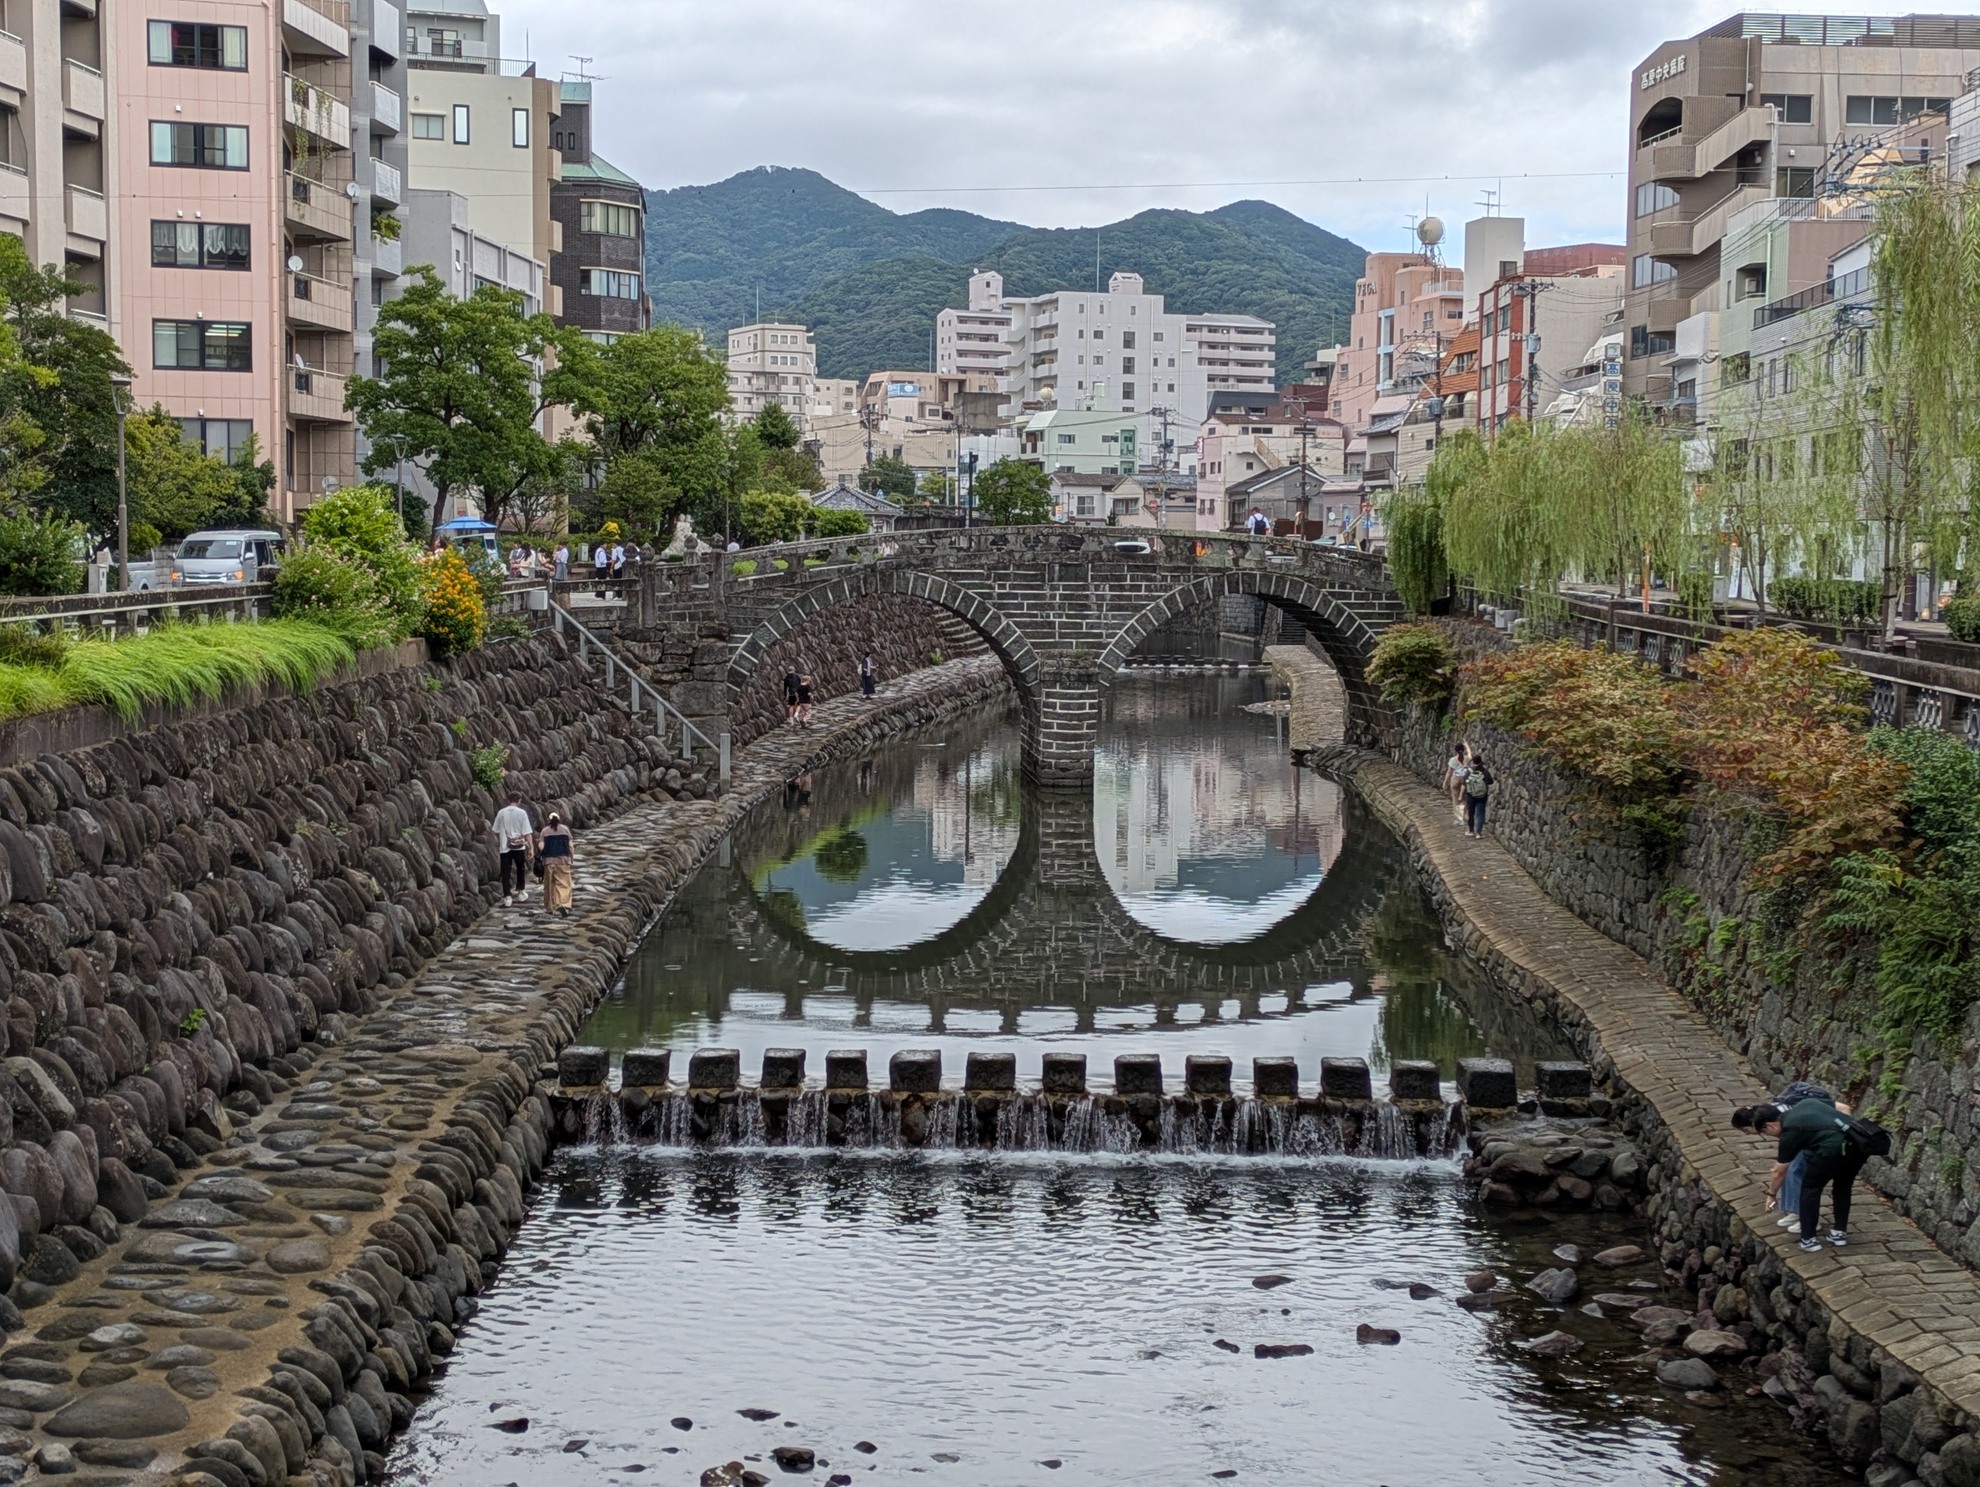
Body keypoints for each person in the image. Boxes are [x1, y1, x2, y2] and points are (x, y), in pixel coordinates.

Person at [1744, 1097, 1869, 1251]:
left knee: (1810, 1189)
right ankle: (1839, 1233)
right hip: (1858, 1144)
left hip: (1831, 1150)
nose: (1771, 1136)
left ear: (1769, 1125)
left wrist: (1771, 1194)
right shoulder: (1807, 1103)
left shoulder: (1789, 1131)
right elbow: (1840, 1108)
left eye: (1765, 1133)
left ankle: (1809, 1240)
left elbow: (1779, 1171)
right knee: (1842, 1187)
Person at [1732, 1082, 1847, 1228]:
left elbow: (1843, 1109)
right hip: (1804, 1141)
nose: (1748, 1134)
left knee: (1795, 1171)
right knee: (1789, 1169)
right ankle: (1795, 1210)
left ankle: (1808, 1219)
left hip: (1818, 1142)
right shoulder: (1770, 1112)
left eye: (1746, 1130)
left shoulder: (1782, 1118)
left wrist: (1771, 1194)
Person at [491, 792, 534, 907]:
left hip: (505, 846)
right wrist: (531, 848)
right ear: (519, 800)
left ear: (508, 800)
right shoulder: (522, 813)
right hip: (519, 846)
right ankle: (520, 892)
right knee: (520, 868)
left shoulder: (501, 813)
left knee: (505, 872)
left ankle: (507, 897)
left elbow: (495, 830)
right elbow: (527, 832)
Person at [537, 812, 575, 918]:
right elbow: (570, 845)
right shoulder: (565, 829)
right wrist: (571, 858)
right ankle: (563, 904)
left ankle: (549, 907)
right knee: (563, 883)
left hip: (549, 861)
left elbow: (541, 846)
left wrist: (541, 853)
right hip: (563, 860)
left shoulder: (545, 831)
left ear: (548, 820)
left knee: (549, 885)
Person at [1462, 756, 1492, 838]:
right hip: (1482, 796)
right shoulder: (1484, 771)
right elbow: (1490, 781)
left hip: (1471, 795)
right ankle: (1478, 832)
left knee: (1471, 813)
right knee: (1480, 814)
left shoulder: (1469, 770)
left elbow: (1464, 781)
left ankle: (1471, 830)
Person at [1443, 742, 1471, 825]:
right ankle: (1465, 815)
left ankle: (1459, 819)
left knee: (1456, 800)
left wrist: (1445, 782)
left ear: (1455, 750)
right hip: (1464, 782)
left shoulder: (1453, 760)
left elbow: (1449, 772)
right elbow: (1470, 753)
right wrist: (1467, 745)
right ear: (1463, 750)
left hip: (1455, 781)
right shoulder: (1466, 759)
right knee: (1464, 799)